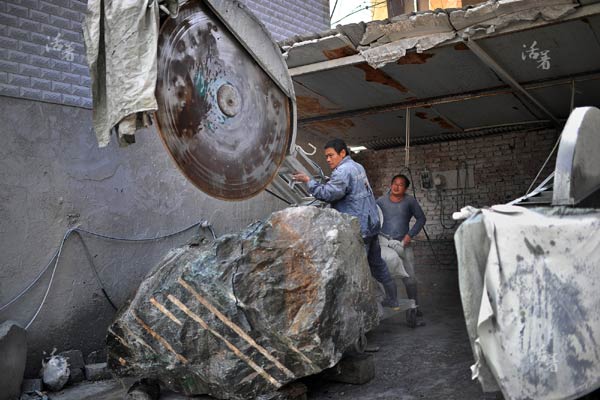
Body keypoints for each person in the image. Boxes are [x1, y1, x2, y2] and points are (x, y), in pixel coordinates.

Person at [293, 138, 400, 308]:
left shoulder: (342, 172)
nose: (328, 160)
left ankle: (359, 310)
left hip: (359, 230)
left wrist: (308, 181)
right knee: (377, 264)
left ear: (342, 153)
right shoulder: (358, 167)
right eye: (326, 157)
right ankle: (393, 299)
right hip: (371, 226)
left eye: (330, 155)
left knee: (355, 270)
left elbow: (328, 194)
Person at [377, 174, 426, 316]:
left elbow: (421, 218)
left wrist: (409, 236)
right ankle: (391, 304)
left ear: (405, 188)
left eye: (401, 185)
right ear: (391, 184)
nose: (396, 187)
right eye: (394, 183)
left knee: (410, 279)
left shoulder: (410, 201)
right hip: (384, 244)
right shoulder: (380, 201)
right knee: (386, 276)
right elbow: (373, 216)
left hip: (403, 243)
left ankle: (414, 306)